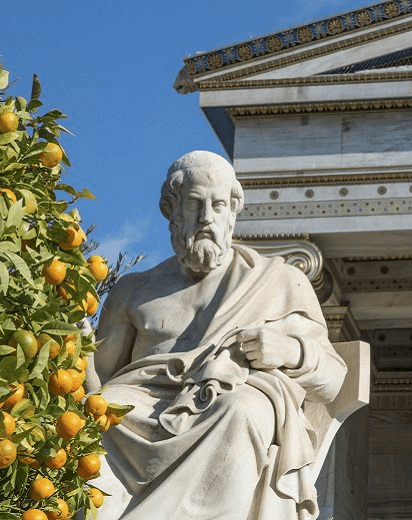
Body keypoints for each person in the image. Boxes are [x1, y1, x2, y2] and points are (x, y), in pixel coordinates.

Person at [86, 151, 347, 520]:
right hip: (139, 418)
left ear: (233, 210)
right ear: (170, 210)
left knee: (241, 409)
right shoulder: (134, 291)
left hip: (227, 406)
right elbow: (97, 384)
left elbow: (333, 379)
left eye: (218, 204)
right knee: (102, 411)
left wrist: (289, 350)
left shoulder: (278, 281)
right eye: (194, 204)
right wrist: (73, 352)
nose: (207, 218)